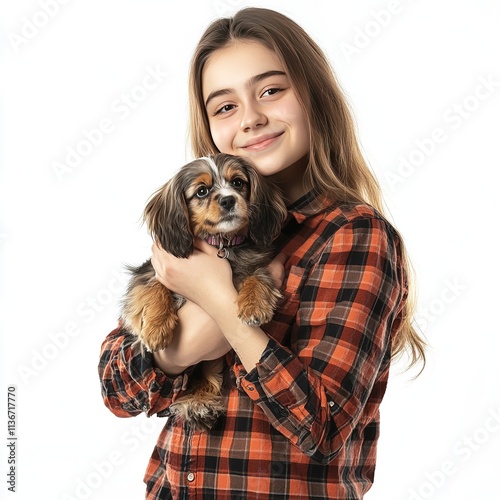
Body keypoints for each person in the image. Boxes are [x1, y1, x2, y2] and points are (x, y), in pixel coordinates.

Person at [98, 7, 426, 499]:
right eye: (225, 107)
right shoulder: (194, 239)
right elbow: (116, 390)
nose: (251, 118)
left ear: (313, 95)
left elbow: (323, 428)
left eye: (271, 90)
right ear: (210, 129)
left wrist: (224, 310)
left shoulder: (353, 236)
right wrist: (184, 349)